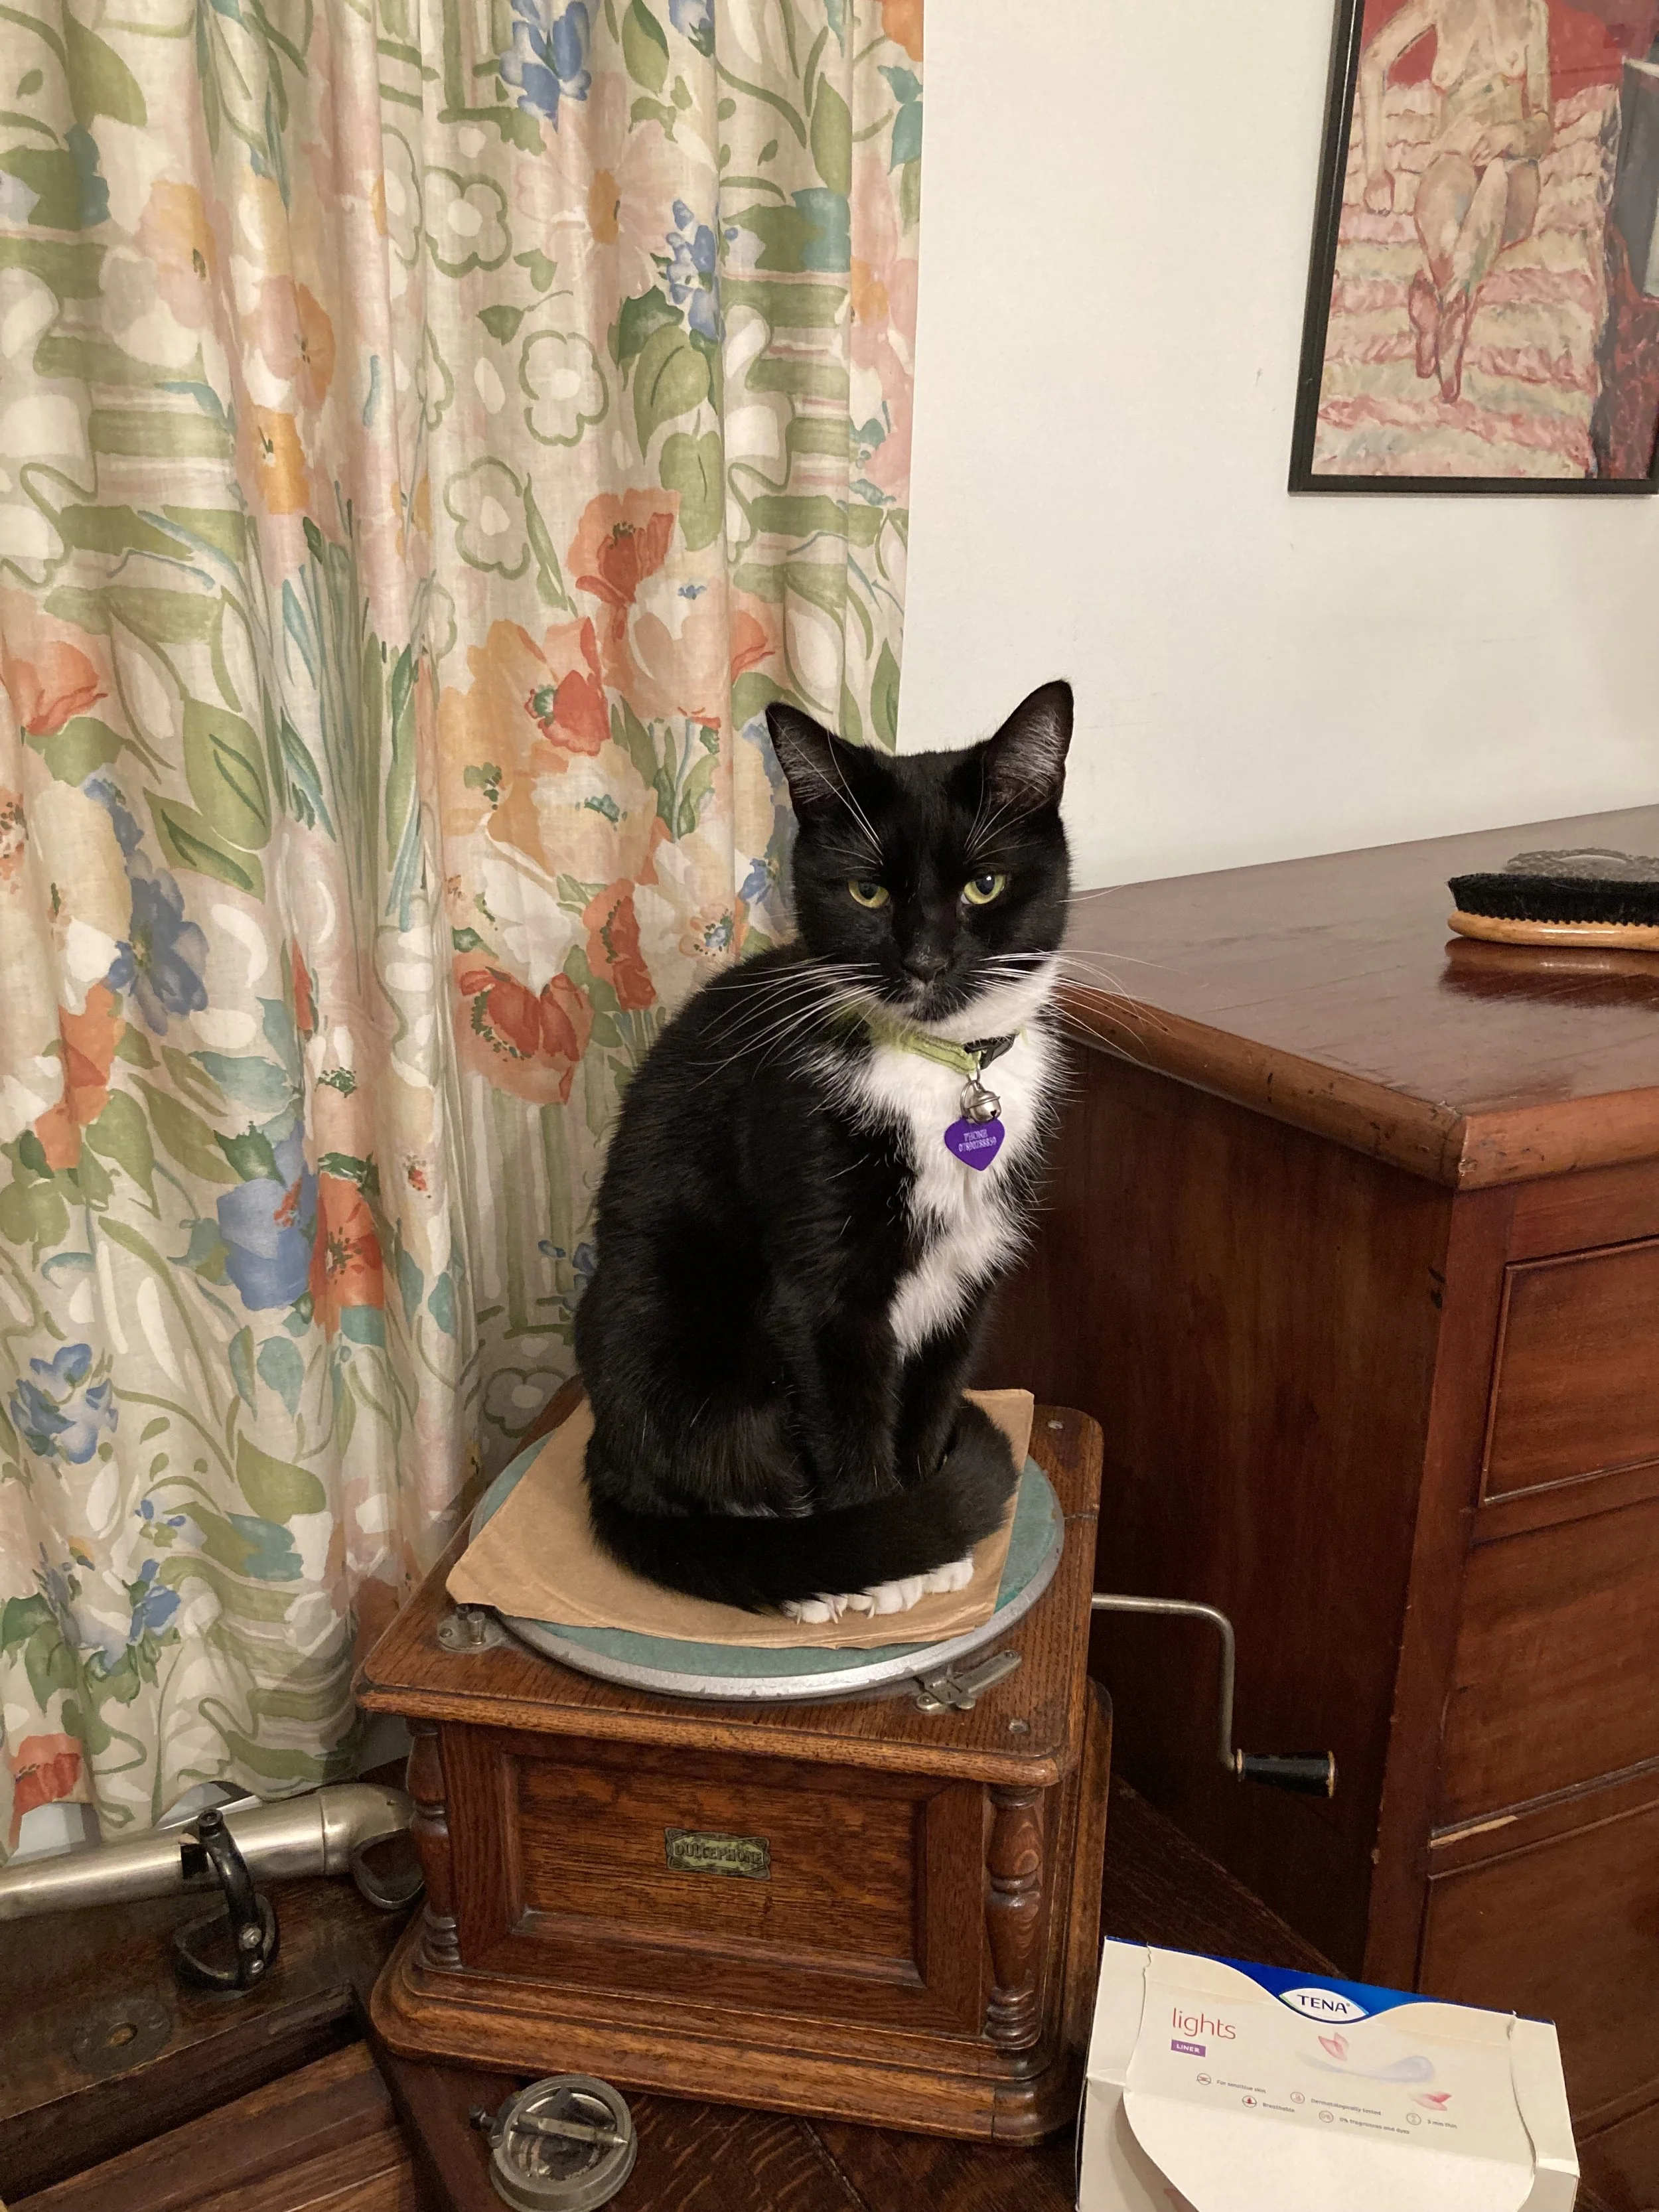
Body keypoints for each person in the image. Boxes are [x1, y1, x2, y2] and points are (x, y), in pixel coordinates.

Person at [1356, 0, 1553, 400]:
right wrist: (1376, 168)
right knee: (1445, 216)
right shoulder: (1439, 3)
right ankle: (1456, 302)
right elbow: (1372, 62)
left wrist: (1511, 135)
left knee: (1497, 179)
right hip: (1452, 156)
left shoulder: (1532, 8)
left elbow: (1545, 124)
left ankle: (1438, 296)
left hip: (1514, 165)